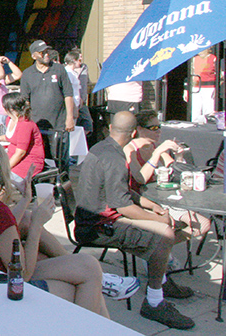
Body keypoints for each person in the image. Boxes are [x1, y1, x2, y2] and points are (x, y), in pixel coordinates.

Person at [0, 137, 110, 317]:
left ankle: (80, 270)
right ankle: (90, 323)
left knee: (27, 219)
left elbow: (2, 228)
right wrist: (37, 223)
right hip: (0, 282)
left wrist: (27, 199)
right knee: (89, 271)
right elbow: (23, 274)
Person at [75, 111, 195, 330]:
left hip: (96, 219)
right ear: (132, 133)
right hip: (98, 227)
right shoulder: (115, 158)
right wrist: (155, 217)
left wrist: (150, 205)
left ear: (110, 129)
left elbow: (122, 191)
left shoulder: (102, 147)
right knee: (164, 232)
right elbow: (123, 206)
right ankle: (154, 301)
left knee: (162, 226)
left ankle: (162, 282)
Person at [125, 111, 210, 238]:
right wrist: (157, 153)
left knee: (203, 224)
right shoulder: (130, 149)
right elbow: (140, 178)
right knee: (182, 224)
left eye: (159, 127)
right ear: (140, 129)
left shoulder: (155, 146)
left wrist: (179, 157)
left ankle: (161, 248)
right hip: (143, 200)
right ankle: (160, 249)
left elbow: (176, 171)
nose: (158, 131)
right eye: (153, 128)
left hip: (164, 198)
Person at [19, 40, 74, 132]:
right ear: (33, 56)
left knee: (59, 146)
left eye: (47, 51)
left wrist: (70, 118)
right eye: (42, 52)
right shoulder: (27, 73)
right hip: (36, 123)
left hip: (59, 123)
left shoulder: (59, 69)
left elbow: (68, 94)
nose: (46, 54)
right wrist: (26, 121)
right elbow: (25, 100)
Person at [1, 91, 45, 179]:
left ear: (11, 109)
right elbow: (11, 137)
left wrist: (4, 170)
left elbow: (20, 153)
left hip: (28, 162)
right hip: (14, 157)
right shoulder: (9, 120)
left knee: (2, 180)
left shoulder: (25, 124)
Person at [190, 47, 217, 123]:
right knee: (195, 108)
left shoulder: (213, 58)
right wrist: (187, 88)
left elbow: (220, 74)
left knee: (208, 108)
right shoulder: (194, 59)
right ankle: (194, 125)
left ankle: (207, 125)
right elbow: (191, 73)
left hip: (209, 86)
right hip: (196, 86)